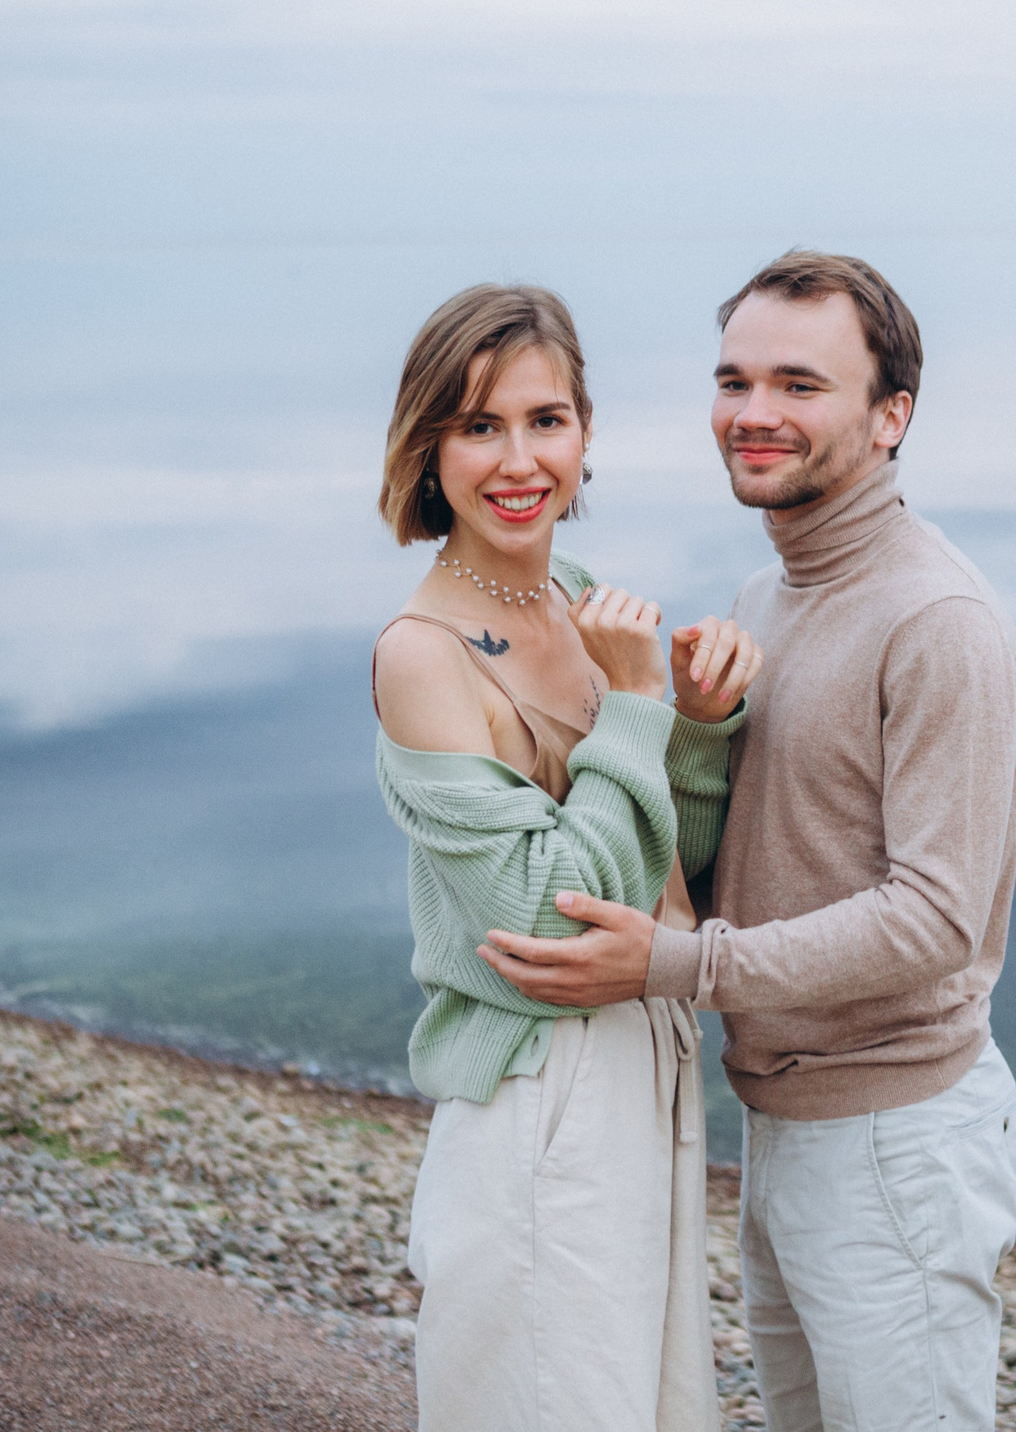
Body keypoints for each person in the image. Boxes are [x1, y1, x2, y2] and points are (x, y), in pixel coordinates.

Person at [484, 252, 1016, 1432]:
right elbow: (734, 865)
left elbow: (935, 923)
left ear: (892, 416)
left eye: (799, 384)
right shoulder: (761, 598)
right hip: (784, 1120)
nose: (754, 415)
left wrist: (679, 969)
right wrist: (697, 727)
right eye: (734, 381)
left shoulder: (938, 623)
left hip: (899, 1140)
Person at [369, 281, 762, 1432]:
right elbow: (546, 918)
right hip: (538, 1092)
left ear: (585, 432)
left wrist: (695, 720)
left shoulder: (583, 603)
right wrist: (636, 706)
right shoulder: (422, 654)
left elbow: (664, 871)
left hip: (647, 1068)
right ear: (426, 448)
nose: (517, 459)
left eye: (546, 420)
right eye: (478, 425)